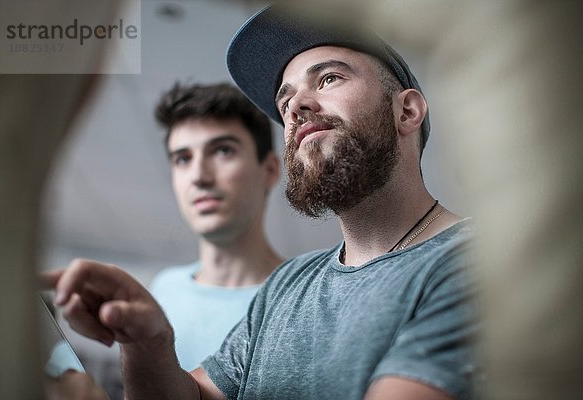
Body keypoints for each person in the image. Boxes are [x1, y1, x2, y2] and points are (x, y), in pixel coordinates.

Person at [43, 4, 479, 400]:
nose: (295, 108)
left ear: (406, 112)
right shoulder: (287, 285)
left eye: (328, 78)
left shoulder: (475, 262)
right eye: (284, 99)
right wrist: (147, 341)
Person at [149, 82, 282, 371]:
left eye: (223, 151)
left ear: (269, 170)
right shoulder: (162, 291)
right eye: (183, 159)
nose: (199, 176)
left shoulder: (303, 296)